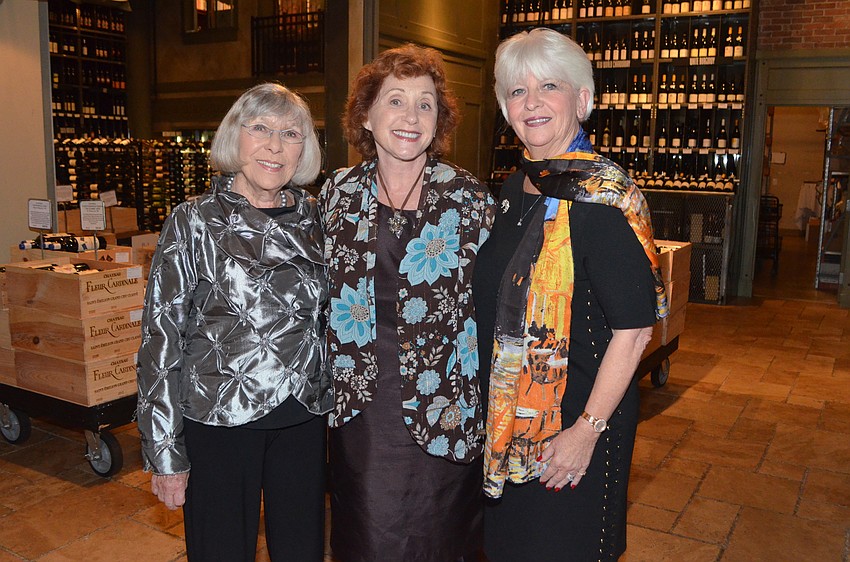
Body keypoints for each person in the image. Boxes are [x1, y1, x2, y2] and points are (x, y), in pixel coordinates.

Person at [473, 28, 668, 561]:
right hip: (511, 426)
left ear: (582, 100)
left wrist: (586, 433)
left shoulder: (603, 199)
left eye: (548, 86)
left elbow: (634, 331)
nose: (531, 102)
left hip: (577, 427)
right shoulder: (518, 187)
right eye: (516, 91)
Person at [136, 82, 332, 562]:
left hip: (304, 417)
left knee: (303, 551)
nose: (274, 145)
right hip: (219, 422)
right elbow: (161, 336)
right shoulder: (193, 220)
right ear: (234, 138)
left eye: (291, 133)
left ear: (304, 148)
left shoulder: (317, 217)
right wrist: (164, 449)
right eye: (260, 128)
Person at [320, 44, 496, 561]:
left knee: (443, 540)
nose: (411, 116)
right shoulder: (336, 195)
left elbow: (496, 305)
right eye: (395, 100)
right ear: (367, 116)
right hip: (362, 412)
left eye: (425, 104)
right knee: (366, 539)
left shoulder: (469, 198)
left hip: (445, 406)